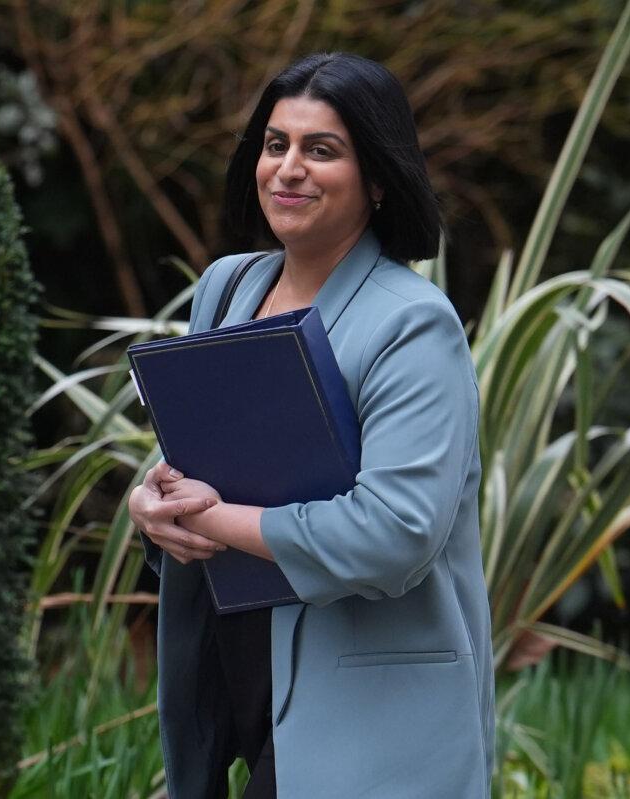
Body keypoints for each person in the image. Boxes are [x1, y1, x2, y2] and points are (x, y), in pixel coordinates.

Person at [128, 52, 494, 798]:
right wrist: (152, 505)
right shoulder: (227, 286)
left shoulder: (412, 324)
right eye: (276, 144)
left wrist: (213, 518)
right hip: (238, 666)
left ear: (378, 178)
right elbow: (198, 460)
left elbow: (396, 533)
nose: (288, 169)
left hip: (368, 706)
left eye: (321, 150)